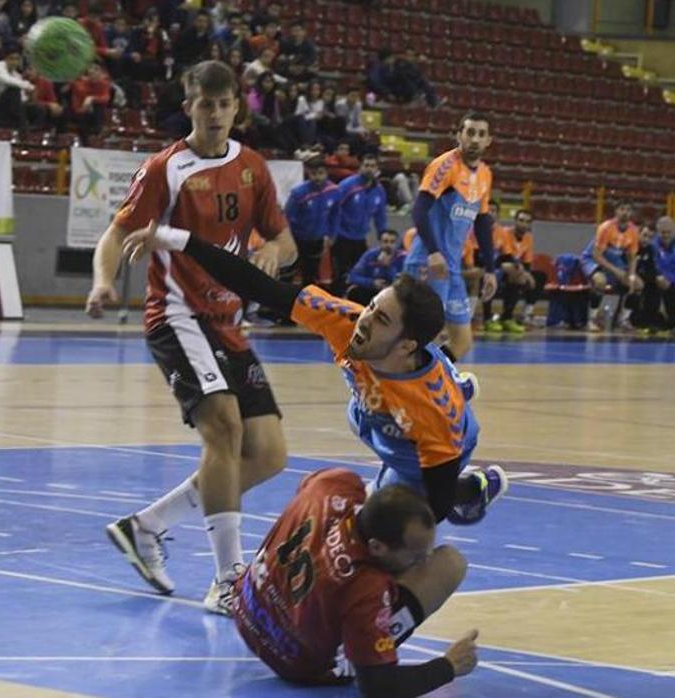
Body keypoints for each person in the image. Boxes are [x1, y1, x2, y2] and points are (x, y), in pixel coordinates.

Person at [85, 60, 298, 615]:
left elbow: (286, 240)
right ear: (190, 107)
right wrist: (104, 282)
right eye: (205, 103)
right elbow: (117, 232)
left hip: (229, 323)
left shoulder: (252, 166)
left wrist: (274, 251)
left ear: (236, 107)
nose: (215, 113)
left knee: (269, 455)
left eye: (225, 103)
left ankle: (146, 526)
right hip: (177, 317)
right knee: (224, 430)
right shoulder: (166, 169)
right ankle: (227, 579)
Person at [122, 219, 506, 526]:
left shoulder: (431, 415)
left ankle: (472, 489)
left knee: (395, 518)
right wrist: (178, 239)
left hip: (420, 445)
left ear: (406, 344)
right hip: (374, 410)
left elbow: (431, 513)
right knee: (362, 420)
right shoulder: (349, 322)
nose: (364, 320)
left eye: (381, 318)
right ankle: (455, 387)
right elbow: (259, 286)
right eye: (371, 306)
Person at [233, 470, 479, 694]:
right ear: (377, 547)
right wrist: (448, 666)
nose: (424, 558)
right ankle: (356, 652)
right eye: (415, 555)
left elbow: (305, 486)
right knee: (449, 564)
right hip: (295, 663)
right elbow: (379, 687)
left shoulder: (335, 483)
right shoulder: (367, 589)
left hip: (246, 609)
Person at [403, 112, 498, 362]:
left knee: (462, 341)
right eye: (469, 132)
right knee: (423, 335)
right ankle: (402, 385)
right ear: (459, 135)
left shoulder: (486, 175)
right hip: (429, 262)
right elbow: (419, 209)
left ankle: (429, 380)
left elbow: (483, 223)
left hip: (452, 268)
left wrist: (490, 269)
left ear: (489, 140)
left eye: (481, 134)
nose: (474, 139)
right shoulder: (445, 165)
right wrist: (434, 252)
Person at [330, 152, 388, 296]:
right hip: (341, 238)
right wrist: (331, 234)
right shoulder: (347, 186)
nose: (369, 169)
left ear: (377, 169)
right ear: (360, 167)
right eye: (366, 165)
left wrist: (384, 240)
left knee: (359, 275)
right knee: (339, 275)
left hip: (360, 239)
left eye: (373, 166)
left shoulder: (379, 191)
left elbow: (380, 217)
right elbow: (333, 211)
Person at [581, 199, 643, 332]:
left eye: (628, 210)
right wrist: (617, 272)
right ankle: (592, 319)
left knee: (638, 285)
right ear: (616, 211)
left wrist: (631, 276)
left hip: (614, 261)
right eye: (622, 209)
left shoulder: (634, 230)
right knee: (600, 281)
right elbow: (597, 256)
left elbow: (632, 257)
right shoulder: (606, 227)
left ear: (631, 213)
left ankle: (624, 320)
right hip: (593, 259)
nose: (625, 213)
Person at [483, 207, 545, 333]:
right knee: (515, 273)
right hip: (497, 266)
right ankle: (490, 318)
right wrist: (523, 272)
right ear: (515, 221)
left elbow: (527, 262)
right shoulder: (505, 233)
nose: (524, 223)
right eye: (521, 220)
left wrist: (527, 273)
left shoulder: (528, 238)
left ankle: (523, 315)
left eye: (527, 221)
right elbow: (505, 257)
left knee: (539, 276)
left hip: (514, 268)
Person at [284, 156, 337, 287]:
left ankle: (307, 303)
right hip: (297, 239)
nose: (317, 177)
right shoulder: (298, 193)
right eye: (314, 174)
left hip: (316, 240)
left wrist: (332, 234)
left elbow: (335, 214)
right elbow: (287, 217)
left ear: (326, 173)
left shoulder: (333, 191)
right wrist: (287, 239)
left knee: (311, 275)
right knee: (288, 273)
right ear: (308, 173)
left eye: (321, 173)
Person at [0, 43, 38, 130]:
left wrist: (29, 100)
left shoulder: (17, 75)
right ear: (5, 59)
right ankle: (23, 127)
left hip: (6, 106)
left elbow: (21, 98)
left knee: (37, 109)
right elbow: (7, 80)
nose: (14, 62)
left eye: (17, 59)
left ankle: (36, 133)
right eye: (11, 59)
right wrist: (29, 86)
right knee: (13, 90)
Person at [345, 229, 403, 306]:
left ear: (396, 244)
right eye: (385, 242)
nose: (388, 245)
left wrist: (388, 267)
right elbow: (353, 276)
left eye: (392, 242)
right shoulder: (370, 255)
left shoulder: (402, 258)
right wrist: (372, 282)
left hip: (391, 293)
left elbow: (401, 282)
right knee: (355, 291)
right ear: (380, 242)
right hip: (371, 290)